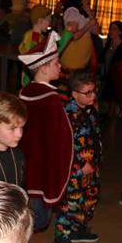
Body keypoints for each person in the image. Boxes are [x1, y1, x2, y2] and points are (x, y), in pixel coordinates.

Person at [18, 33, 73, 231]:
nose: (60, 66)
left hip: (25, 169)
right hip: (43, 172)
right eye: (56, 63)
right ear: (43, 68)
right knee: (37, 221)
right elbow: (61, 141)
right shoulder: (52, 100)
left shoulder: (24, 93)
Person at [54, 71, 102, 243]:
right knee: (70, 203)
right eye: (87, 93)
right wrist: (80, 165)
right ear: (74, 94)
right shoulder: (68, 115)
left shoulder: (89, 110)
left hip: (92, 166)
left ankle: (76, 229)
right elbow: (63, 146)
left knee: (87, 201)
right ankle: (62, 236)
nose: (92, 96)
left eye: (93, 91)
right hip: (77, 170)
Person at [19, 4, 51, 87]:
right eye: (48, 20)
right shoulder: (34, 37)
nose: (49, 24)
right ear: (40, 20)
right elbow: (31, 60)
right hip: (30, 79)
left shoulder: (38, 36)